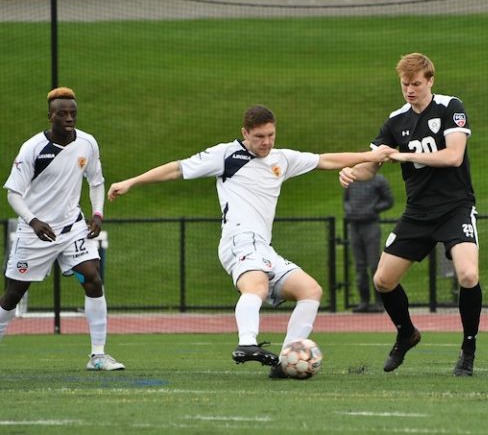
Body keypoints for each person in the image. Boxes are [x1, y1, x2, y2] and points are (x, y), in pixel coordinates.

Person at [108, 104, 394, 379]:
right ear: (245, 133)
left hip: (263, 247)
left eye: (270, 135)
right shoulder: (225, 155)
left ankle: (285, 359)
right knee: (255, 286)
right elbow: (176, 169)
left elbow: (327, 160)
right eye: (259, 137)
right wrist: (132, 181)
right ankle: (246, 342)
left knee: (311, 290)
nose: (266, 142)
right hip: (238, 240)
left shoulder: (281, 159)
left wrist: (370, 156)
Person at [339, 52, 482, 377]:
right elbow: (373, 164)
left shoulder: (450, 107)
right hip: (418, 212)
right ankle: (407, 333)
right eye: (405, 84)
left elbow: (454, 156)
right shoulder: (396, 120)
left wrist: (404, 155)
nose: (410, 90)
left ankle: (468, 349)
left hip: (455, 207)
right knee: (383, 280)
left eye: (416, 83)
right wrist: (351, 171)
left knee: (468, 275)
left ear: (430, 80)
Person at [0, 87, 124, 371]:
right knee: (13, 295)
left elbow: (96, 181)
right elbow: (13, 194)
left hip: (72, 229)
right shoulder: (32, 149)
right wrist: (34, 220)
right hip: (35, 232)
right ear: (50, 116)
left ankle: (98, 355)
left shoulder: (87, 143)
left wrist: (97, 214)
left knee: (92, 278)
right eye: (62, 113)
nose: (69, 118)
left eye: (73, 113)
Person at [343, 173, 394, 313]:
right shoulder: (352, 178)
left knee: (374, 264)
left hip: (370, 225)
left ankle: (379, 302)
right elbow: (346, 200)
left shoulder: (379, 179)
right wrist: (349, 210)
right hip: (354, 226)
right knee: (359, 266)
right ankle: (363, 301)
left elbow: (389, 201)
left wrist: (372, 209)